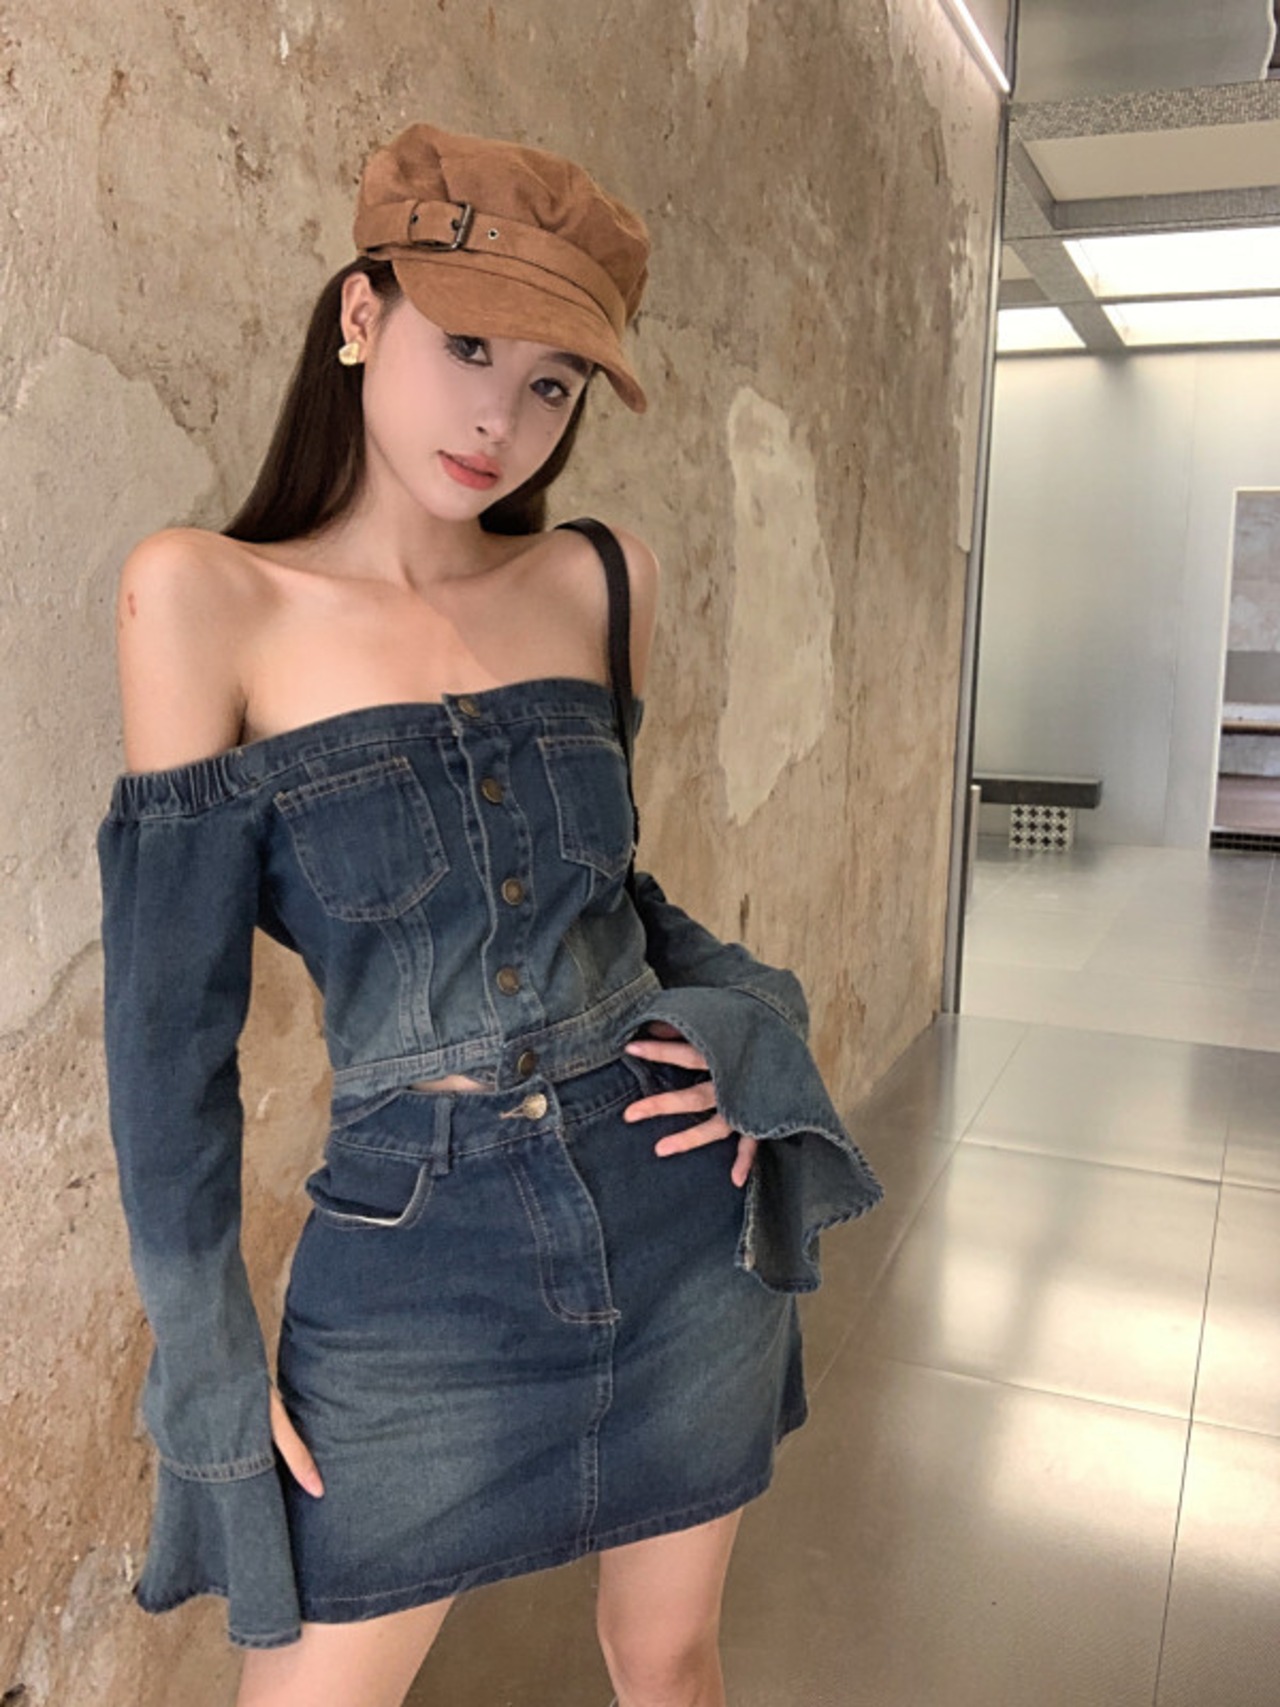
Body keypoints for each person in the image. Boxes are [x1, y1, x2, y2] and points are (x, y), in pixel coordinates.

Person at [97, 122, 881, 1707]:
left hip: (677, 1230)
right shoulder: (202, 597)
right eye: (467, 347)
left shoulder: (598, 581)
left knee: (668, 1663)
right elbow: (165, 1042)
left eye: (551, 384)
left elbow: (620, 904)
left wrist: (757, 1037)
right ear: (361, 312)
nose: (499, 419)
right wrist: (206, 1350)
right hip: (414, 1267)